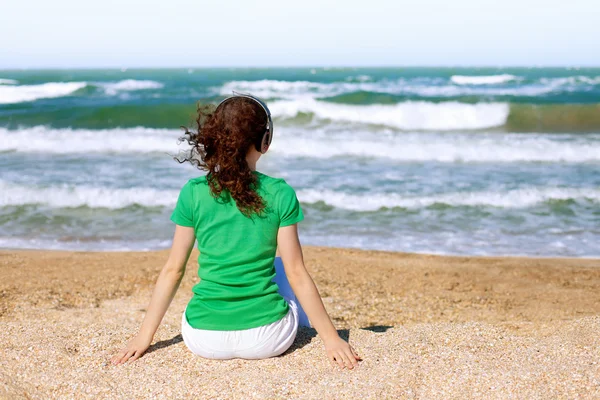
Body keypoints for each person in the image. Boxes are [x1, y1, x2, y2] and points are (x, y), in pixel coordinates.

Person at [111, 94, 360, 369]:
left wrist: (143, 338)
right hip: (268, 338)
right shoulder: (280, 193)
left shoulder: (193, 193)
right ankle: (308, 329)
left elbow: (173, 270)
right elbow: (297, 273)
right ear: (265, 141)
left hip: (204, 339)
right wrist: (332, 339)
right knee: (281, 266)